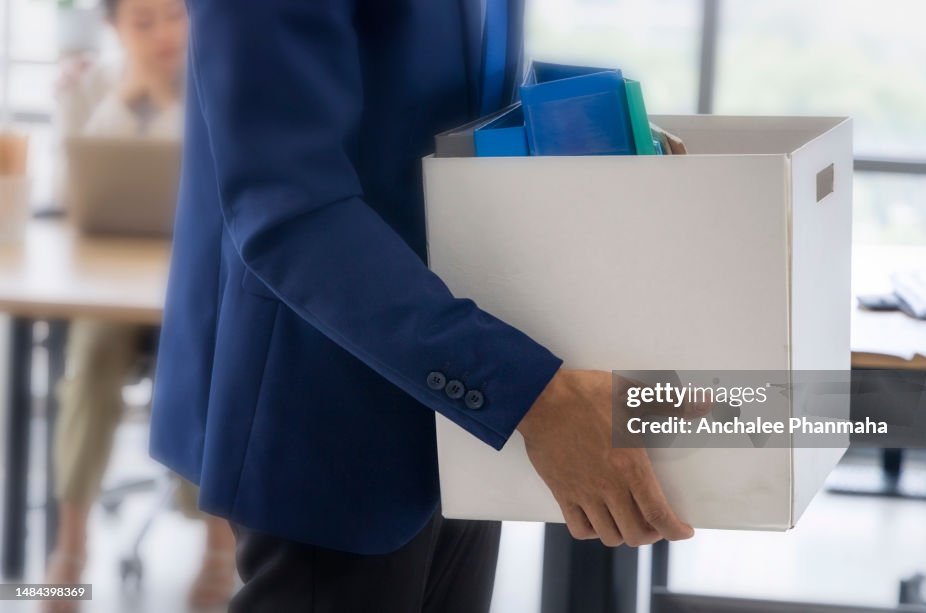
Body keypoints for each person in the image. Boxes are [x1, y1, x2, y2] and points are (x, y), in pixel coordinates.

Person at [151, 0, 695, 610]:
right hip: (330, 408)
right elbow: (291, 214)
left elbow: (455, 100)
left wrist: (615, 147)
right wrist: (536, 400)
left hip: (469, 396)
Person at [44, 0, 235, 610]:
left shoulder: (225, 74)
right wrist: (134, 93)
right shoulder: (90, 86)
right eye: (142, 21)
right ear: (114, 29)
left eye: (174, 16)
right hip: (113, 287)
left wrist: (171, 96)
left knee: (205, 356)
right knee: (92, 351)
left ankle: (219, 550)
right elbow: (69, 194)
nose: (162, 35)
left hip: (197, 288)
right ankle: (68, 549)